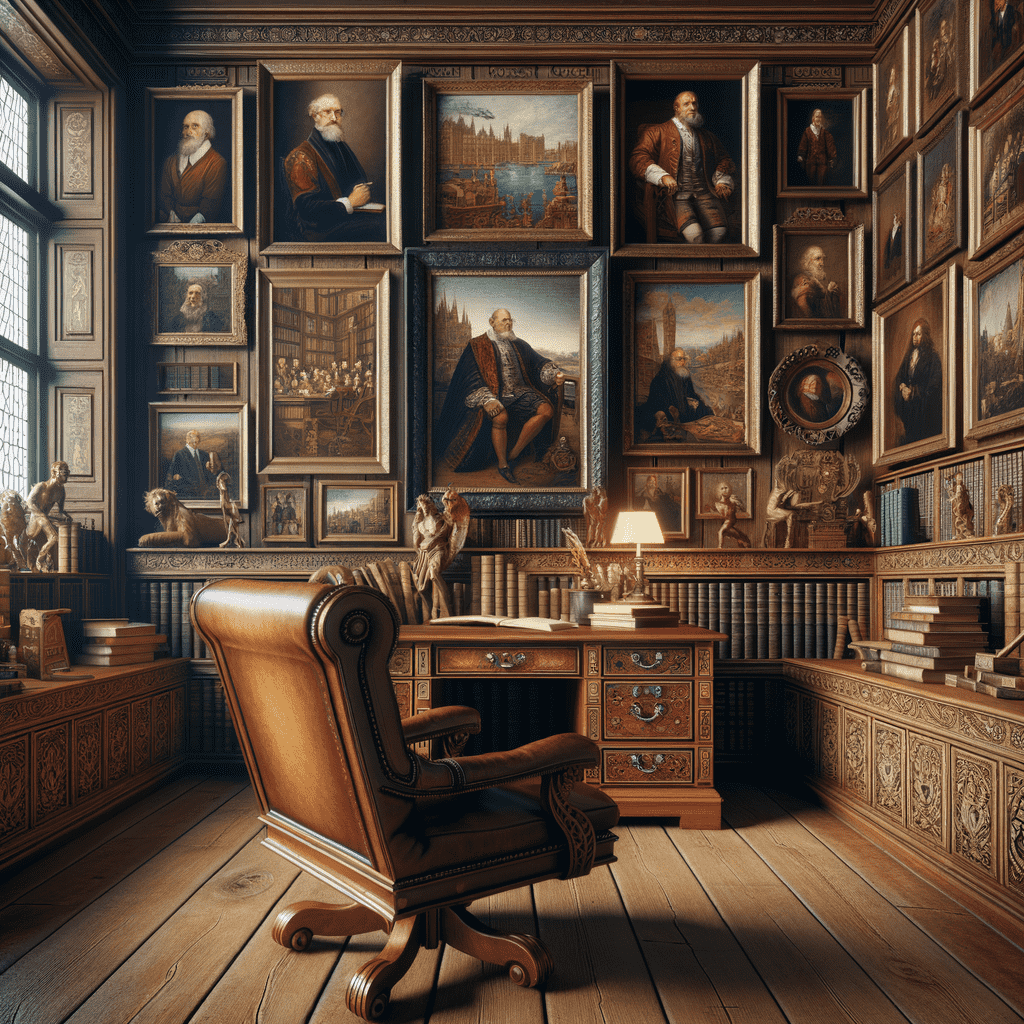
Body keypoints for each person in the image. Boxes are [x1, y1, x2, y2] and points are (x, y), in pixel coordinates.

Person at [434, 309, 566, 484]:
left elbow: (539, 362)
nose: (508, 324)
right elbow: (470, 376)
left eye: (510, 320)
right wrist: (487, 399)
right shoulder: (477, 345)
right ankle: (503, 465)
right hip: (495, 394)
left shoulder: (518, 343)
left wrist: (555, 373)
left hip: (520, 392)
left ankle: (513, 454)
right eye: (504, 320)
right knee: (500, 417)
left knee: (546, 410)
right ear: (492, 322)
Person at [628, 90, 736, 244]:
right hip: (676, 197)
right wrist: (662, 176)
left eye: (694, 103)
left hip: (704, 194)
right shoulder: (656, 132)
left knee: (719, 233)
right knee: (696, 236)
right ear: (676, 108)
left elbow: (724, 159)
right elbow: (638, 158)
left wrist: (722, 181)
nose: (692, 107)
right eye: (686, 104)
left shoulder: (707, 136)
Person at [281, 93, 386, 243]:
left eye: (338, 112)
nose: (334, 118)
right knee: (381, 228)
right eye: (327, 112)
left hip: (343, 219)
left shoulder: (339, 146)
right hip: (319, 230)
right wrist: (349, 202)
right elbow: (307, 209)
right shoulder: (301, 155)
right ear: (315, 116)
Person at [157, 109, 227, 225]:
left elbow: (210, 205)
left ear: (206, 133)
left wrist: (189, 228)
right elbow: (164, 195)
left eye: (195, 126)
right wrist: (170, 214)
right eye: (185, 127)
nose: (188, 132)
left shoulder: (217, 162)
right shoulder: (170, 161)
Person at [637, 347, 714, 439]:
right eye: (679, 359)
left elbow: (691, 393)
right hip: (668, 410)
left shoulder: (684, 375)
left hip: (684, 407)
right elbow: (657, 402)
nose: (682, 362)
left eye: (684, 359)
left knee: (706, 411)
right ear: (671, 361)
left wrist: (695, 401)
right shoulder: (661, 379)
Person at [893, 318, 943, 446]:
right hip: (909, 409)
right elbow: (899, 377)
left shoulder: (933, 357)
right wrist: (903, 387)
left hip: (924, 410)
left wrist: (913, 392)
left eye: (918, 334)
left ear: (925, 335)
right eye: (914, 334)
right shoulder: (909, 356)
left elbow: (934, 386)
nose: (915, 337)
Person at [24, 461, 72, 572]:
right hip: (35, 519)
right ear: (55, 472)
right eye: (63, 470)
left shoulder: (61, 491)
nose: (66, 473)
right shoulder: (41, 486)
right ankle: (40, 559)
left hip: (44, 520)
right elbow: (29, 502)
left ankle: (45, 561)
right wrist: (40, 514)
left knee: (58, 538)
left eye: (67, 471)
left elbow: (61, 511)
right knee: (54, 537)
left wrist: (66, 517)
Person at [164, 429, 220, 500]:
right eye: (193, 442)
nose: (195, 445)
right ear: (187, 441)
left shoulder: (204, 454)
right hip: (188, 495)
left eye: (196, 442)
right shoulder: (179, 454)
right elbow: (171, 474)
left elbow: (211, 474)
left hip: (206, 494)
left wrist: (210, 469)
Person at [790, 245, 842, 319]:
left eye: (822, 259)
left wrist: (830, 293)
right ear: (808, 262)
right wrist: (829, 293)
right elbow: (807, 313)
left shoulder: (814, 279)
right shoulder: (802, 279)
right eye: (817, 259)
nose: (822, 263)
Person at [796, 108, 837, 187]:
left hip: (822, 162)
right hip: (810, 162)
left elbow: (830, 146)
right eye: (817, 117)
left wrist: (833, 158)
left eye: (820, 117)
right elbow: (803, 145)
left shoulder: (825, 133)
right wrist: (801, 155)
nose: (819, 119)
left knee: (821, 183)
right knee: (810, 182)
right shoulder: (807, 132)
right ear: (813, 118)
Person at [710, 480, 750, 549]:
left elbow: (744, 510)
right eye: (722, 488)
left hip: (730, 522)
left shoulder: (733, 501)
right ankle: (720, 547)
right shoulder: (716, 504)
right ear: (719, 491)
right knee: (722, 532)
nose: (724, 490)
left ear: (729, 489)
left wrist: (737, 503)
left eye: (726, 488)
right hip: (726, 523)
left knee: (740, 537)